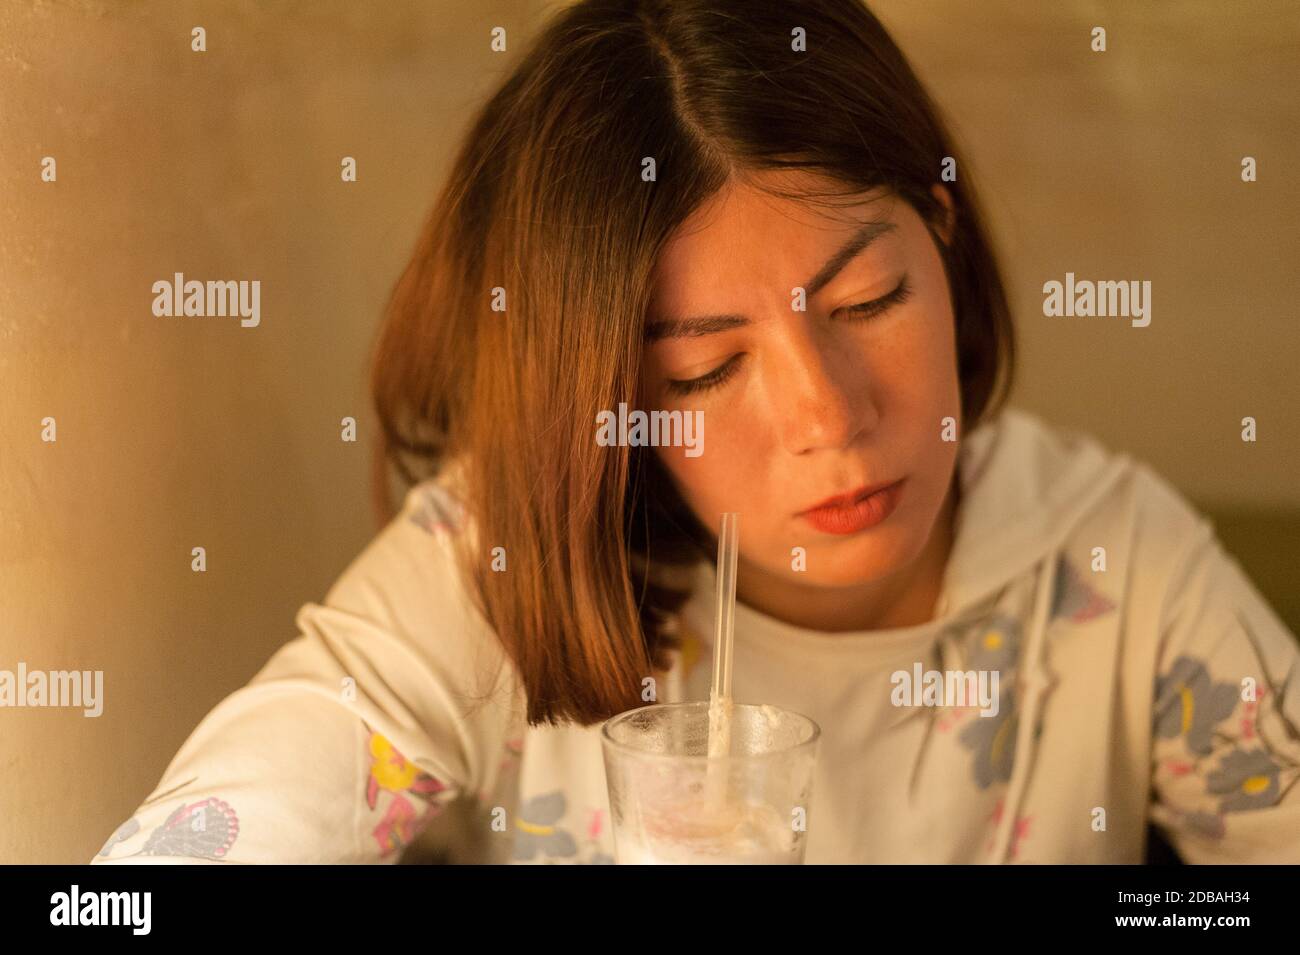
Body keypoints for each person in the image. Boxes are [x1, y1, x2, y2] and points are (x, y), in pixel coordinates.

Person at [91, 0, 1300, 865]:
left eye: (866, 302)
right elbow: (211, 838)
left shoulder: (1114, 565)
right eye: (707, 368)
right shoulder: (499, 564)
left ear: (939, 228)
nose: (828, 417)